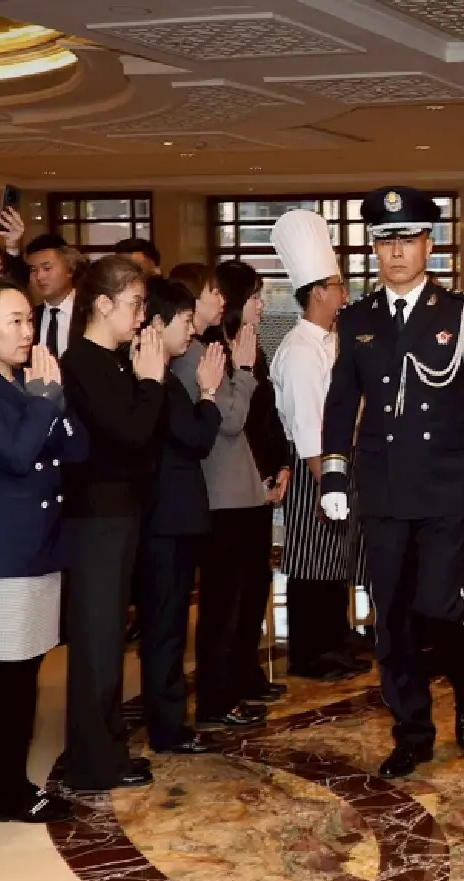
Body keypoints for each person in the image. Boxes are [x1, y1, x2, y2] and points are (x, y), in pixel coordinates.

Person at [318, 186, 464, 780]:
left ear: (429, 243)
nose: (395, 250)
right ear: (374, 249)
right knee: (393, 615)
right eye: (385, 240)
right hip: (383, 488)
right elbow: (341, 399)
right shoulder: (357, 319)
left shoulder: (463, 314)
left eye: (406, 238)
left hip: (447, 486)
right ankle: (413, 729)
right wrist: (333, 470)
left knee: (438, 605)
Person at [0, 277, 81, 824]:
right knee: (7, 679)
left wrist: (54, 398)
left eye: (30, 320)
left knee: (25, 672)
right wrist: (44, 402)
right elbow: (15, 454)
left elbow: (76, 447)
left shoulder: (27, 383)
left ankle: (16, 784)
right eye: (17, 322)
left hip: (39, 547)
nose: (30, 332)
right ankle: (10, 790)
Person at [59, 254, 167, 794]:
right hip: (95, 515)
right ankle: (91, 760)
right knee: (98, 642)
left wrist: (145, 381)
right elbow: (131, 433)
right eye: (134, 304)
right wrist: (152, 383)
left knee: (109, 640)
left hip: (121, 509)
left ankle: (107, 748)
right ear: (101, 304)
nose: (141, 316)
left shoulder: (116, 360)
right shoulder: (82, 361)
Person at [180, 261, 288, 727]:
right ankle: (216, 699)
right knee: (223, 603)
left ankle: (230, 691)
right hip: (221, 495)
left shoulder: (220, 346)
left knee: (240, 597)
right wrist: (242, 373)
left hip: (243, 489)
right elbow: (229, 420)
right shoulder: (196, 355)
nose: (219, 300)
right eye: (211, 292)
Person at [269, 210, 367, 682]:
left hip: (336, 464)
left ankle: (335, 640)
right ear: (318, 293)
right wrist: (326, 479)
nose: (345, 296)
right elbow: (309, 424)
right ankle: (311, 653)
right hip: (316, 467)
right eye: (339, 287)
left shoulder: (329, 342)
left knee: (336, 561)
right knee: (313, 563)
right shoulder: (301, 350)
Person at [135, 276, 224, 754]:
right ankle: (168, 729)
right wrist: (209, 394)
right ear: (156, 323)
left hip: (171, 519)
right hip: (163, 522)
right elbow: (194, 439)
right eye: (185, 321)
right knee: (165, 629)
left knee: (169, 628)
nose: (191, 331)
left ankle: (171, 722)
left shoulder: (163, 377)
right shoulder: (156, 381)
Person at [26, 234, 80, 361]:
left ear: (70, 270)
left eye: (47, 268)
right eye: (33, 270)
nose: (39, 276)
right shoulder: (31, 317)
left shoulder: (90, 312)